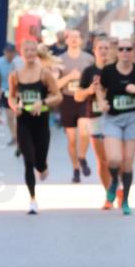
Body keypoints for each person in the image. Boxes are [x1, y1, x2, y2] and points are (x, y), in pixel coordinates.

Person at [95, 37, 135, 216]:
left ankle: (125, 199)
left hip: (132, 118)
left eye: (129, 49)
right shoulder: (109, 71)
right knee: (114, 159)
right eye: (122, 49)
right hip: (112, 119)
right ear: (117, 52)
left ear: (134, 51)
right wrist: (102, 101)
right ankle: (113, 182)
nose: (125, 52)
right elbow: (100, 89)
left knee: (127, 163)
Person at [8, 40, 61, 214]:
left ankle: (43, 167)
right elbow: (12, 97)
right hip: (24, 121)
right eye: (26, 50)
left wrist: (43, 101)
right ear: (21, 53)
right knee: (28, 160)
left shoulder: (44, 74)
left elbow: (58, 96)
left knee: (39, 161)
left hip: (41, 120)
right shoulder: (15, 74)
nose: (30, 53)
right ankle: (32, 200)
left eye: (33, 50)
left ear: (36, 53)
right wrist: (15, 106)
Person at [75, 36, 115, 208]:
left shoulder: (116, 70)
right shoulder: (88, 72)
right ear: (94, 50)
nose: (104, 51)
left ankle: (117, 186)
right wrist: (89, 90)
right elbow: (77, 96)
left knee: (115, 159)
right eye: (100, 48)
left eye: (106, 48)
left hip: (115, 118)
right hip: (95, 117)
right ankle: (109, 194)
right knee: (102, 160)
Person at [57, 29, 94, 183]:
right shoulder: (59, 60)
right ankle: (75, 168)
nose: (73, 40)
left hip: (84, 98)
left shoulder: (89, 59)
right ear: (66, 41)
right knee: (71, 139)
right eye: (70, 37)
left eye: (76, 37)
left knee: (84, 131)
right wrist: (70, 77)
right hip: (67, 99)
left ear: (81, 40)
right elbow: (55, 84)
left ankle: (82, 157)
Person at [0, 42, 22, 146]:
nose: (9, 54)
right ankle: (14, 136)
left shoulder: (20, 61)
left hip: (19, 91)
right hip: (6, 90)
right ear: (4, 52)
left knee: (19, 115)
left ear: (15, 52)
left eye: (11, 52)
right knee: (10, 116)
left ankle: (21, 136)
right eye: (7, 52)